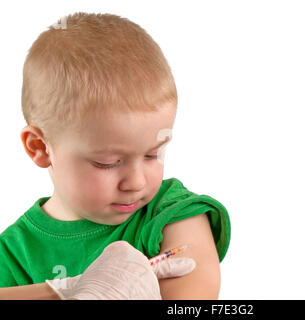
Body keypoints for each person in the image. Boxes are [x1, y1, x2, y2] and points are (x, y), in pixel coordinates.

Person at [0, 12, 231, 299]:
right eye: (107, 163)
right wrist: (58, 292)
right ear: (39, 147)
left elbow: (193, 296)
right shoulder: (13, 252)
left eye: (152, 154)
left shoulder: (169, 211)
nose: (135, 182)